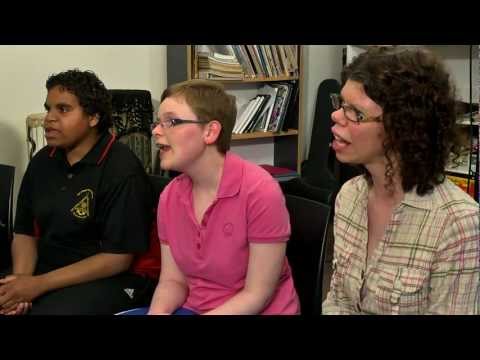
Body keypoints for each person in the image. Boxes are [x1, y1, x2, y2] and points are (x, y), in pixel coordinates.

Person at [322, 46, 479, 315]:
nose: (336, 116)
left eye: (355, 113)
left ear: (401, 129)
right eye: (341, 104)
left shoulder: (458, 225)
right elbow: (339, 300)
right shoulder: (349, 196)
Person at [0, 69, 157, 315]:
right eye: (48, 108)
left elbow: (118, 258)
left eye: (62, 109)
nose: (48, 118)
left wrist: (38, 285)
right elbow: (25, 232)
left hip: (111, 278)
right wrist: (19, 284)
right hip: (48, 269)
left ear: (93, 117)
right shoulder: (43, 161)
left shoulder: (122, 169)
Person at [148, 79, 299, 315]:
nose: (156, 131)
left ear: (210, 131)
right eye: (158, 122)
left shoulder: (259, 190)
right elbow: (173, 281)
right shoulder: (170, 196)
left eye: (171, 122)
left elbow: (257, 294)